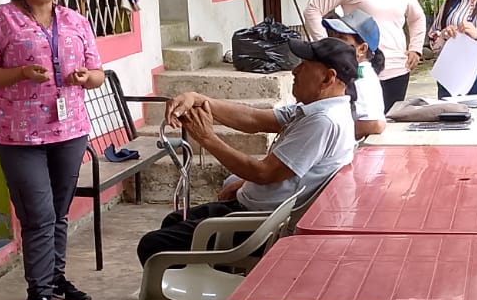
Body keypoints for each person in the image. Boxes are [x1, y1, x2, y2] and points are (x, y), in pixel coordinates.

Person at [0, 0, 106, 300]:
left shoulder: (76, 20)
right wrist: (20, 73)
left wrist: (86, 78)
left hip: (70, 129)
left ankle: (55, 281)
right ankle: (39, 295)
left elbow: (97, 73)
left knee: (58, 213)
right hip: (20, 136)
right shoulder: (1, 19)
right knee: (37, 215)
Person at [137, 38, 357, 263]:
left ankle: (201, 280)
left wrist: (206, 138)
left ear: (327, 78)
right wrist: (199, 99)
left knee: (153, 246)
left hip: (261, 225)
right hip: (253, 209)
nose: (295, 70)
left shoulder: (323, 121)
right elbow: (254, 119)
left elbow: (263, 173)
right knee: (174, 221)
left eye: (304, 66)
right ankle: (192, 276)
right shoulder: (315, 110)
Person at [322, 9, 388, 138]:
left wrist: (328, 133)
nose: (335, 43)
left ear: (362, 49)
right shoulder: (351, 73)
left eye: (342, 38)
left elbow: (374, 124)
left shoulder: (361, 78)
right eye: (335, 37)